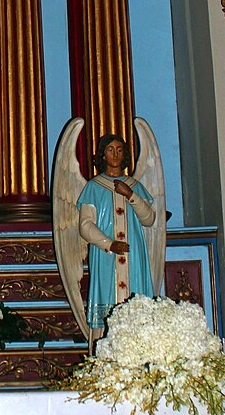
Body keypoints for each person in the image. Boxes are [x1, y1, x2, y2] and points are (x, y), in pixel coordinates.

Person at [77, 133, 155, 333]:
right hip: (107, 255)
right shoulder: (94, 187)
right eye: (110, 150)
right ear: (103, 155)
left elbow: (149, 219)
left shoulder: (134, 186)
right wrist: (109, 243)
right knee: (108, 300)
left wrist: (130, 194)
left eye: (119, 150)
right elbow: (85, 225)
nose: (115, 154)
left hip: (132, 253)